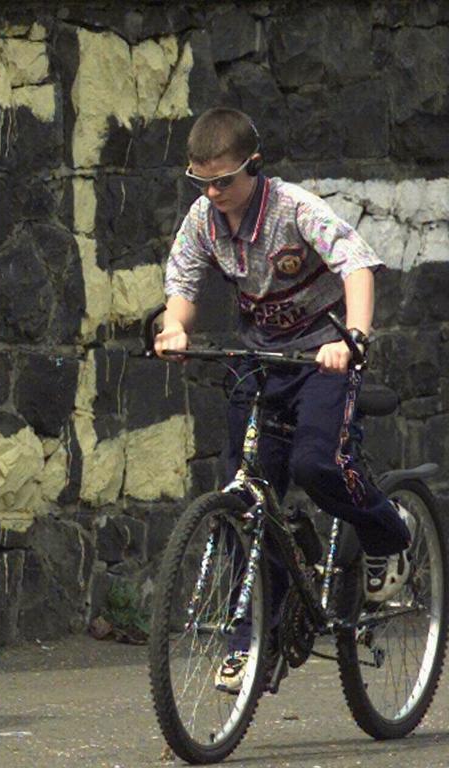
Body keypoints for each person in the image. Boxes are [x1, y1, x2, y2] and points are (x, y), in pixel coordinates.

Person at [154, 107, 414, 692]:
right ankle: (250, 642)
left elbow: (358, 267)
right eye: (202, 182)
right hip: (262, 361)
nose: (214, 192)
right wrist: (174, 328)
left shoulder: (295, 209)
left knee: (316, 464)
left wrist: (354, 339)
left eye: (224, 180)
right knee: (244, 498)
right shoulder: (204, 220)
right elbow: (183, 285)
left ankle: (387, 532)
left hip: (323, 357)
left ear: (254, 165)